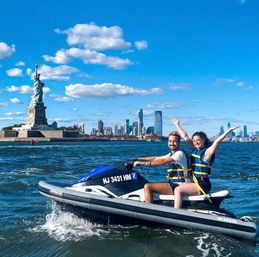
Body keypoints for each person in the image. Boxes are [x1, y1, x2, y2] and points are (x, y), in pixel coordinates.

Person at [172, 117, 239, 208]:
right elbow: (185, 137)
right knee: (175, 185)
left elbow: (217, 141)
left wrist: (228, 130)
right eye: (194, 140)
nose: (196, 142)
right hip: (193, 182)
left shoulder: (207, 153)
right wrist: (177, 124)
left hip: (202, 184)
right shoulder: (195, 149)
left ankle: (176, 213)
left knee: (178, 190)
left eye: (198, 140)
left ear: (203, 140)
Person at [133, 131, 192, 203]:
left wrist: (142, 163)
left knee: (148, 186)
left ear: (179, 143)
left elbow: (162, 162)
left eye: (174, 141)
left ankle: (149, 210)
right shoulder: (172, 154)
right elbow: (156, 158)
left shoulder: (180, 154)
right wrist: (138, 158)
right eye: (170, 141)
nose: (172, 143)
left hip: (181, 185)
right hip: (175, 184)